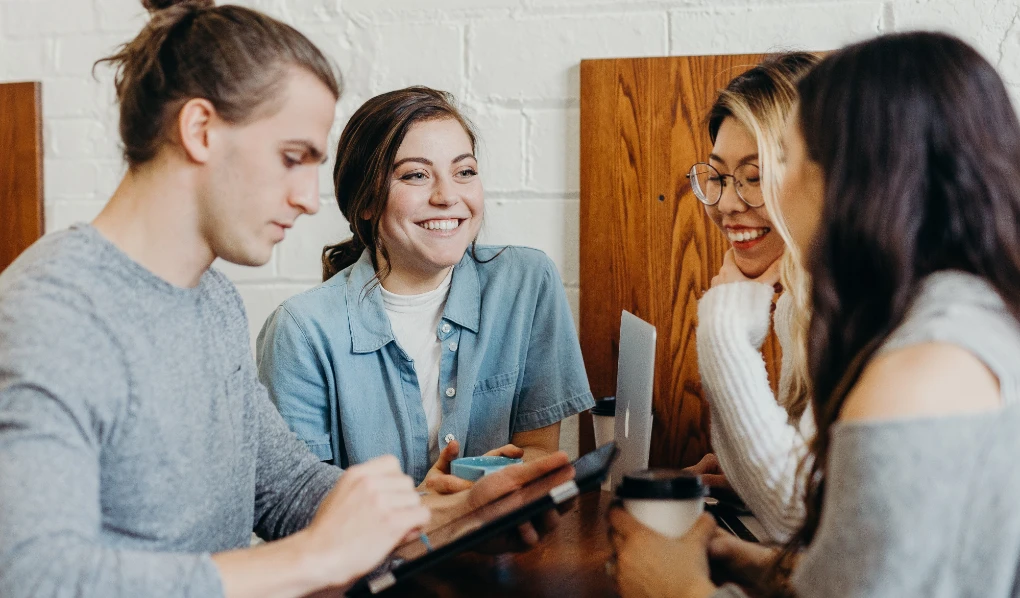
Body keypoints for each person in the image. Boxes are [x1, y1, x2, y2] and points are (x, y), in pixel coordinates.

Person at [0, 2, 568, 597]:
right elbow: (33, 578)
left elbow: (288, 490)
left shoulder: (211, 300)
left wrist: (455, 520)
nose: (307, 198)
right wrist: (312, 559)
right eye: (292, 158)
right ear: (200, 130)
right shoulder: (50, 315)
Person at [608, 31, 1020, 597]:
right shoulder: (956, 318)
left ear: (859, 178)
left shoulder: (920, 369)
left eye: (786, 159)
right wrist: (756, 565)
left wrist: (674, 589)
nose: (766, 189)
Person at [256, 86, 594, 493]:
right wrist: (428, 507)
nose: (447, 196)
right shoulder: (300, 330)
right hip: (374, 557)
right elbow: (299, 505)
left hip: (498, 548)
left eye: (464, 171)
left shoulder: (527, 282)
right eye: (416, 175)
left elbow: (538, 451)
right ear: (365, 201)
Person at [686, 53, 819, 542]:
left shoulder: (857, 305)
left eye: (755, 175)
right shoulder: (798, 303)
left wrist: (723, 327)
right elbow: (808, 494)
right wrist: (745, 473)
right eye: (718, 176)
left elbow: (796, 515)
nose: (725, 203)